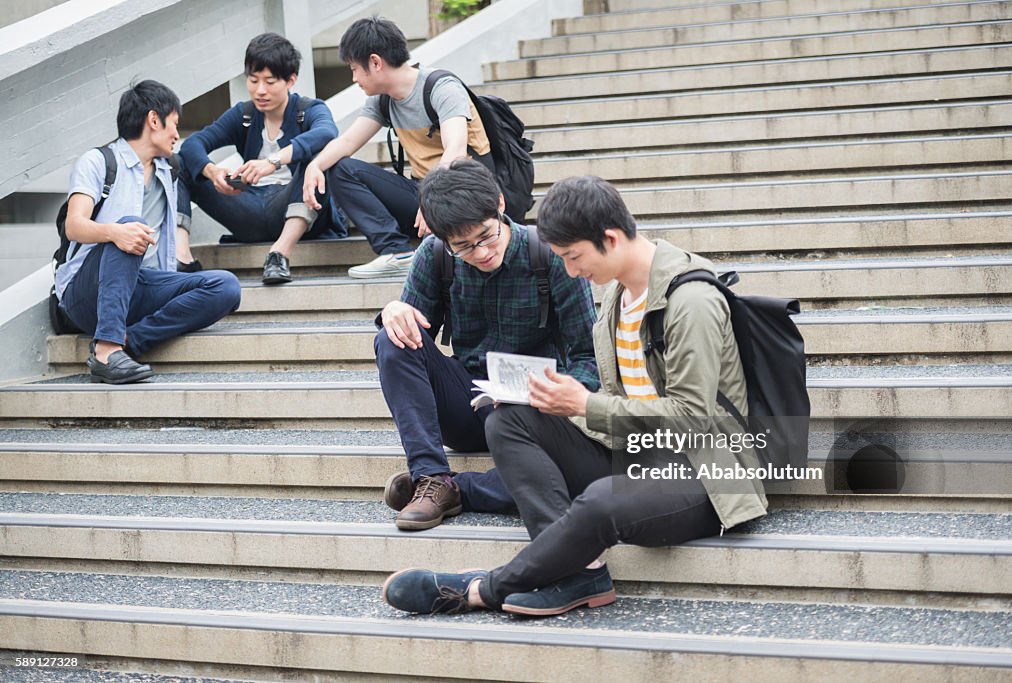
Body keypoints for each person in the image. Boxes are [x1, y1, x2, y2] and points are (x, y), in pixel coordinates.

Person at [381, 175, 769, 616]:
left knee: (598, 502)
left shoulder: (690, 300)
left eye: (572, 256)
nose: (568, 271)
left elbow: (693, 419)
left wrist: (583, 404)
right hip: (632, 452)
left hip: (702, 471)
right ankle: (578, 569)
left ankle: (475, 591)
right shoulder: (622, 298)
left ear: (609, 238)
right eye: (562, 257)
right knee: (508, 420)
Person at [374, 159, 599, 530]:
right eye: (462, 246)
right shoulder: (434, 255)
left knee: (569, 475)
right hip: (469, 401)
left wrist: (556, 395)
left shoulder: (549, 255)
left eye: (486, 236)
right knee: (391, 338)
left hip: (535, 409)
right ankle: (431, 476)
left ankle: (456, 489)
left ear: (499, 204)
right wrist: (395, 312)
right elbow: (412, 346)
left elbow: (588, 357)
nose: (480, 253)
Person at [55, 80, 241, 384]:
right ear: (154, 120)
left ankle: (130, 342)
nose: (177, 135)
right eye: (175, 124)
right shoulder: (98, 162)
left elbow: (196, 156)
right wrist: (115, 233)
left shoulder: (169, 170)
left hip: (140, 286)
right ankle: (105, 351)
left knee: (226, 287)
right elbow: (74, 226)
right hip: (88, 292)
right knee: (127, 228)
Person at [303, 16, 495, 279]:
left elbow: (456, 150)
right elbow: (347, 142)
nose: (354, 78)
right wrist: (314, 166)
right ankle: (396, 251)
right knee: (340, 168)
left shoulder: (441, 87)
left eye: (354, 68)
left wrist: (432, 201)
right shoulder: (383, 100)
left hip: (464, 192)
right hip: (422, 197)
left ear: (375, 62)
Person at [177, 33, 340, 285]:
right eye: (253, 80)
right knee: (182, 165)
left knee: (318, 158)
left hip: (297, 208)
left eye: (270, 82)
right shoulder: (244, 114)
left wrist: (272, 162)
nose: (260, 90)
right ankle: (183, 259)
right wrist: (212, 172)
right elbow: (193, 144)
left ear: (291, 80)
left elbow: (327, 132)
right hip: (250, 208)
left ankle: (279, 254)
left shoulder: (309, 110)